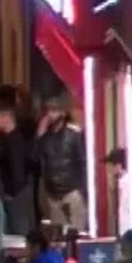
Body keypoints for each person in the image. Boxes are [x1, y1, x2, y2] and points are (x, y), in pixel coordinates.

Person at [35, 97, 87, 231]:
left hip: (72, 191)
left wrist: (81, 190)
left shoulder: (73, 135)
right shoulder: (46, 138)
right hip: (53, 195)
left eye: (54, 111)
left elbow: (83, 161)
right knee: (58, 236)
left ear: (63, 113)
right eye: (48, 111)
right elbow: (36, 156)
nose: (51, 115)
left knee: (76, 232)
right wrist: (41, 130)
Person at [0, 102, 34, 236]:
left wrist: (12, 192)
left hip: (17, 194)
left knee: (19, 229)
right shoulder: (6, 139)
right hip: (12, 192)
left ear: (6, 118)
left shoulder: (15, 141)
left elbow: (18, 168)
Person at [105, 148, 132, 235]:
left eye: (110, 165)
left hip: (127, 228)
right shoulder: (120, 182)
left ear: (118, 166)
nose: (108, 169)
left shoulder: (127, 183)